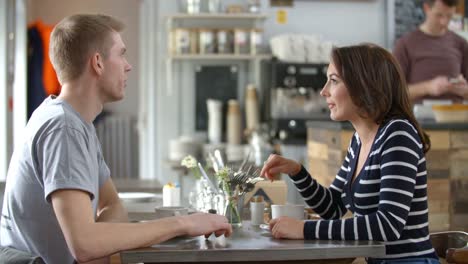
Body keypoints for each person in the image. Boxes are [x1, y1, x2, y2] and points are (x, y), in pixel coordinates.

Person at [0, 14, 232, 264]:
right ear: (98, 63)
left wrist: (98, 247)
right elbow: (85, 243)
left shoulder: (78, 123)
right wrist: (183, 224)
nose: (128, 65)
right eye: (121, 54)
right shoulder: (63, 127)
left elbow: (112, 204)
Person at [261, 44, 440, 263]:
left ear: (363, 85)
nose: (323, 90)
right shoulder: (359, 139)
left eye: (334, 80)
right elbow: (333, 207)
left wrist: (304, 229)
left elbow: (388, 225)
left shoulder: (397, 134)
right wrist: (297, 172)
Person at [393, 0, 468, 103]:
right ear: (426, 8)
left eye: (449, 16)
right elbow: (394, 93)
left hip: (455, 115)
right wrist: (427, 87)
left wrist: (464, 91)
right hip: (418, 116)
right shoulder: (404, 44)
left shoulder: (461, 44)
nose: (444, 22)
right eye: (439, 15)